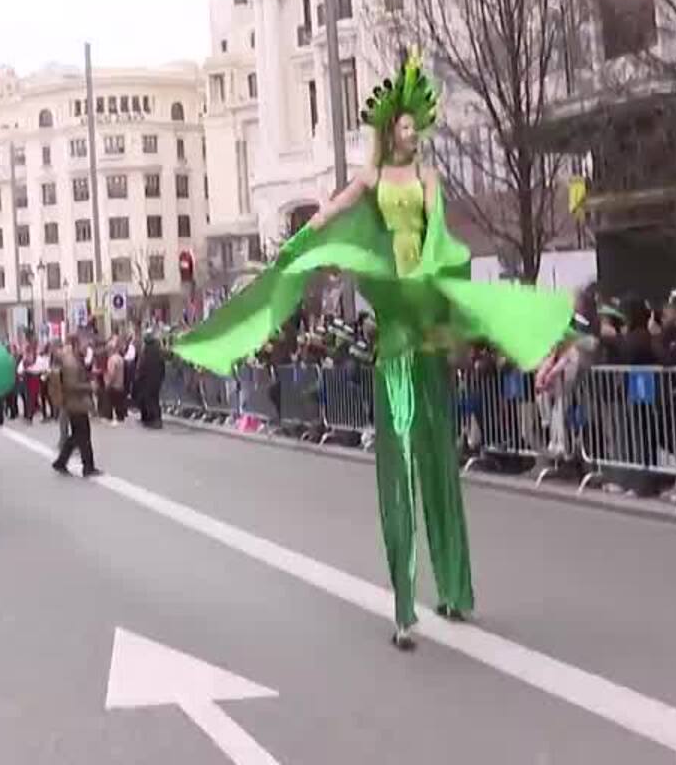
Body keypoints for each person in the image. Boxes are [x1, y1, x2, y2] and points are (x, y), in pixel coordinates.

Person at [174, 52, 570, 651]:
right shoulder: (372, 180)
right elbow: (330, 211)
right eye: (405, 127)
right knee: (399, 465)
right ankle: (405, 607)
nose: (413, 134)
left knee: (439, 463)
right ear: (391, 132)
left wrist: (439, 279)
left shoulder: (431, 182)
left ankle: (456, 591)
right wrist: (298, 245)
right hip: (395, 332)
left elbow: (439, 233)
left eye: (417, 126)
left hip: (425, 310)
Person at [49, 337, 99, 477]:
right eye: (84, 345)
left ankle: (61, 462)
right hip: (75, 403)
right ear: (75, 345)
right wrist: (90, 386)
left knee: (78, 435)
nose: (87, 348)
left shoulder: (74, 360)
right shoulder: (71, 363)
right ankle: (88, 467)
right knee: (83, 435)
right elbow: (71, 386)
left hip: (75, 403)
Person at [131, 333, 166, 429]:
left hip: (147, 379)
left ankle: (153, 419)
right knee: (155, 398)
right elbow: (162, 365)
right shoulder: (159, 351)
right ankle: (156, 419)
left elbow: (141, 366)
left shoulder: (146, 351)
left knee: (149, 399)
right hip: (156, 379)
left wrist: (138, 377)